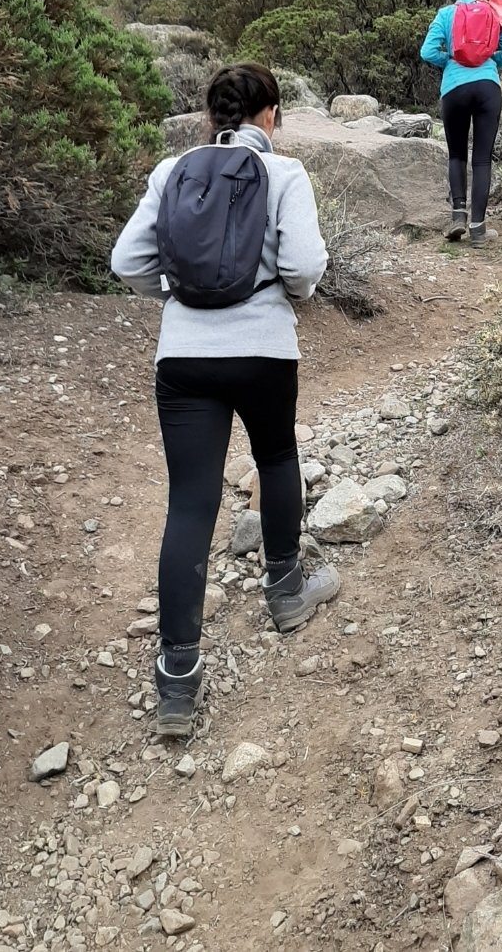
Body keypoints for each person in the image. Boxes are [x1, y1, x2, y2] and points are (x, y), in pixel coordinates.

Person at [111, 62, 339, 737]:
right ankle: (286, 590)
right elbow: (302, 266)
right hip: (265, 347)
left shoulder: (171, 171)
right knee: (275, 456)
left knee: (190, 500)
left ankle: (177, 679)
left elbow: (127, 260)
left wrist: (181, 300)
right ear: (269, 114)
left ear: (212, 118)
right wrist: (283, 298)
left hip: (183, 356)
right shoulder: (285, 174)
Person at [420, 0, 502, 243]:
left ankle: (457, 217)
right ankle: (478, 230)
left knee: (456, 155)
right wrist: (488, 61)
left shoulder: (445, 14)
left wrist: (453, 61)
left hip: (454, 88)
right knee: (482, 159)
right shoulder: (492, 12)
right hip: (488, 88)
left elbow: (427, 52)